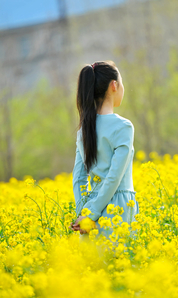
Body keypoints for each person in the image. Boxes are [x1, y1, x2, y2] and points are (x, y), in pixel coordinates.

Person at [70, 60, 139, 237]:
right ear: (114, 86)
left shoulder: (84, 129)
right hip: (118, 214)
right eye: (121, 83)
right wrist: (91, 213)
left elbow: (78, 178)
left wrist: (85, 214)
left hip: (90, 214)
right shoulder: (123, 127)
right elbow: (114, 177)